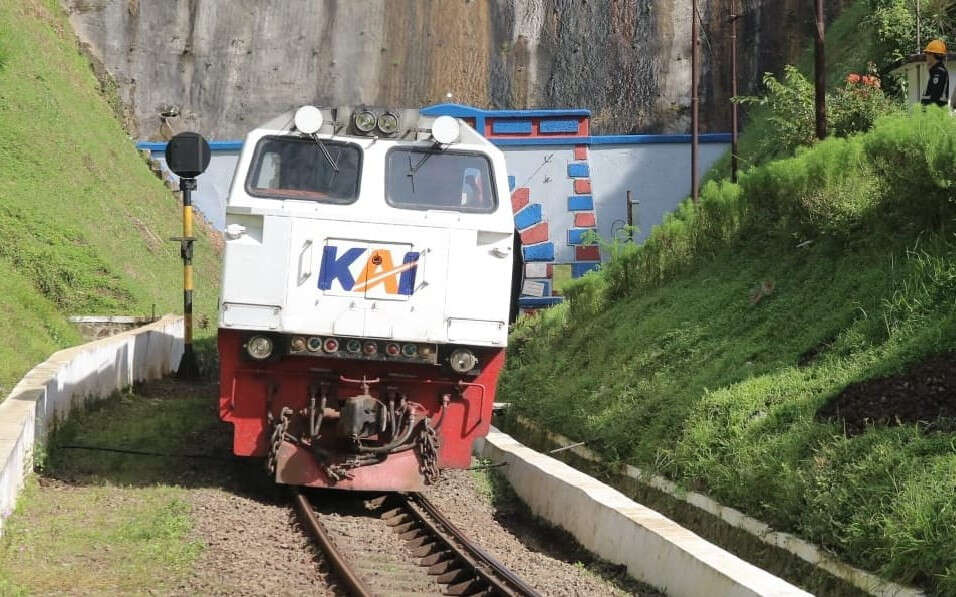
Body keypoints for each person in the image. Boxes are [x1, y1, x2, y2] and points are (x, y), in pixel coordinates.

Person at [921, 39, 950, 108]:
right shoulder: (934, 71)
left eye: (928, 53)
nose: (926, 56)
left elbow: (935, 96)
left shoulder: (939, 72)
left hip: (934, 113)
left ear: (934, 55)